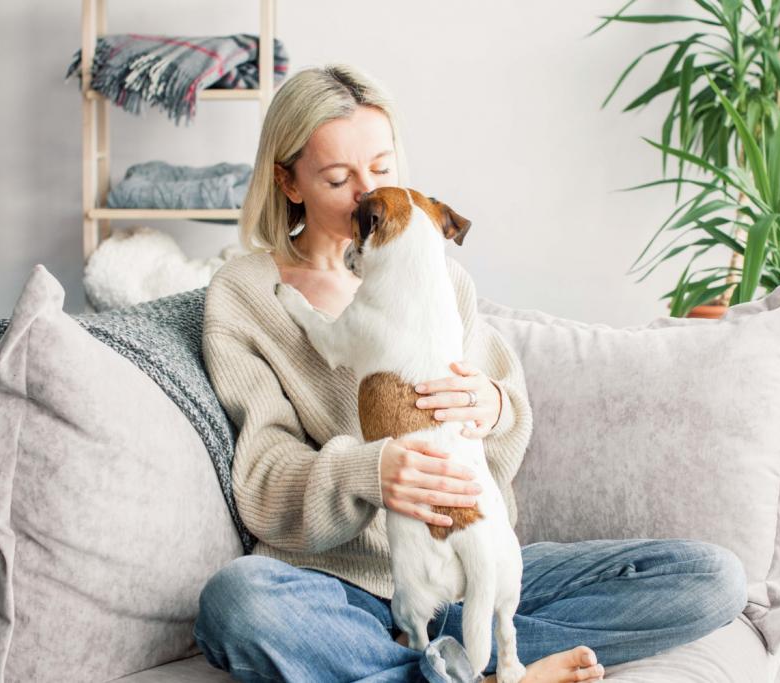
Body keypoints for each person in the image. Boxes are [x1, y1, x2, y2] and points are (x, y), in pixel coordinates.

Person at [193, 63, 748, 683]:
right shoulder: (246, 295)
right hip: (339, 589)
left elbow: (499, 450)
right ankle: (482, 672)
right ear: (288, 181)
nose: (366, 194)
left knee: (712, 577)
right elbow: (264, 489)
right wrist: (371, 472)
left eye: (381, 169)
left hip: (466, 570)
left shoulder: (440, 278)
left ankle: (431, 667)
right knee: (235, 603)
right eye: (337, 178)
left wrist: (493, 407)